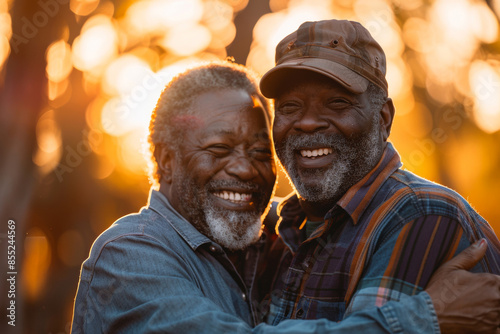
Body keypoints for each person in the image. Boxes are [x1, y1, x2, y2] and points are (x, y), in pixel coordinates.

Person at [71, 61, 498, 334]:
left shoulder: (275, 240)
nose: (244, 169)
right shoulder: (129, 256)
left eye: (260, 153)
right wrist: (426, 318)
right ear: (166, 160)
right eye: (218, 150)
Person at [258, 19, 500, 333]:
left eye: (337, 103)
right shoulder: (285, 227)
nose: (307, 123)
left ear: (383, 118)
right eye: (290, 106)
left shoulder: (419, 213)